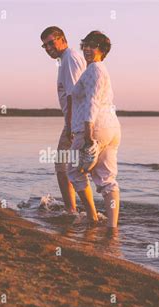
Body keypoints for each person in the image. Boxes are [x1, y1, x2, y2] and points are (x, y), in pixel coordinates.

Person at [68, 31, 121, 229]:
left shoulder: (94, 70)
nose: (88, 49)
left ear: (102, 50)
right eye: (86, 45)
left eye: (94, 46)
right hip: (111, 128)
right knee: (107, 179)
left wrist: (88, 133)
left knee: (73, 171)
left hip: (95, 127)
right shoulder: (101, 70)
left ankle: (92, 216)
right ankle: (113, 227)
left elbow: (92, 101)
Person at [40, 26, 86, 213]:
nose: (49, 48)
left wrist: (69, 127)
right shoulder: (66, 59)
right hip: (76, 121)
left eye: (51, 42)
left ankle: (72, 212)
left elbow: (73, 95)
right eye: (45, 46)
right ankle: (81, 212)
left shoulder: (70, 58)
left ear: (63, 39)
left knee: (63, 167)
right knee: (72, 168)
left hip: (76, 122)